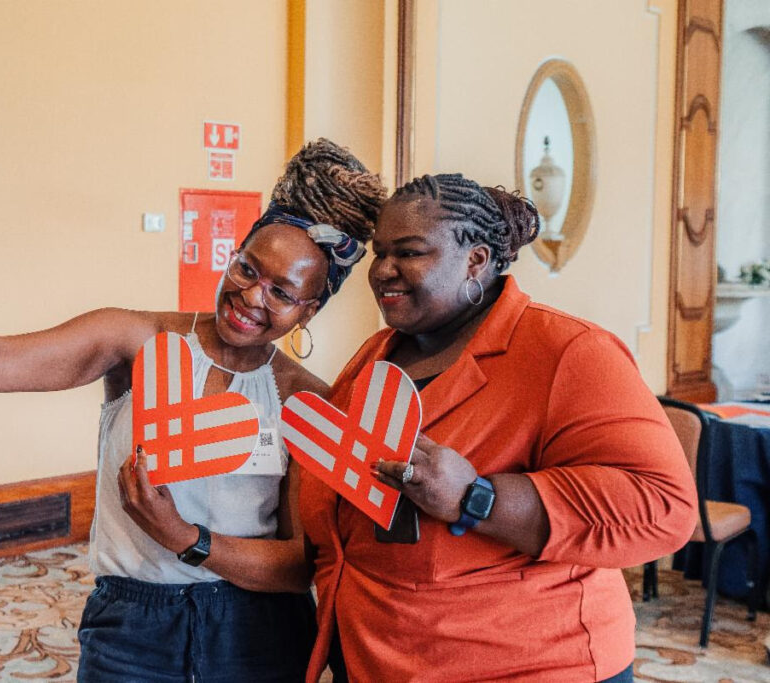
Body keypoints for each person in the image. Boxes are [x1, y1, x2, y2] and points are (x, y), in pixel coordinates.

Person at [0, 139, 386, 682]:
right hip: (133, 626)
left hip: (255, 633)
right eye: (247, 269)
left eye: (281, 293)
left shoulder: (306, 400)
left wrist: (185, 538)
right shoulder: (136, 340)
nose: (252, 296)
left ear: (309, 311)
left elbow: (298, 563)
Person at [299, 173, 698, 682]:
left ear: (476, 260)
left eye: (409, 252)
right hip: (378, 651)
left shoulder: (568, 351)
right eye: (379, 253)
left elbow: (662, 506)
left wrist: (478, 498)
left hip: (526, 661)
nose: (382, 271)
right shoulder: (378, 354)